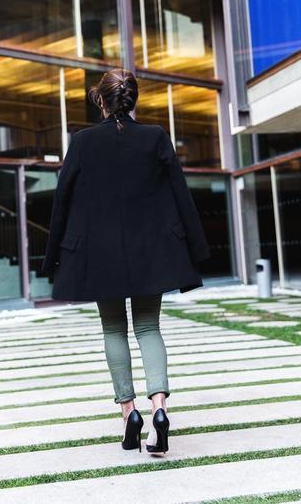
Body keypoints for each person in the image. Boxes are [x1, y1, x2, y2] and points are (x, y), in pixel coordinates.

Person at [41, 68, 210, 455]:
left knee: (113, 330)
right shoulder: (155, 137)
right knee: (149, 328)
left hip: (100, 255)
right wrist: (196, 249)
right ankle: (160, 411)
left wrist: (52, 257)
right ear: (132, 101)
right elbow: (181, 194)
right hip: (152, 251)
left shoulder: (82, 142)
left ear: (100, 100)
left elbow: (62, 201)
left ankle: (129, 413)